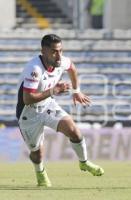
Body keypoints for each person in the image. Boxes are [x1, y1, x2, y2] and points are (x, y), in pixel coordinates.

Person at [16, 34, 104, 187]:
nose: (59, 55)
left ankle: (84, 162)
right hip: (28, 113)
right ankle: (40, 172)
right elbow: (27, 99)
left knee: (74, 131)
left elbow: (72, 68)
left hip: (47, 105)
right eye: (54, 51)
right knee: (37, 154)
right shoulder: (34, 69)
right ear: (43, 50)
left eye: (61, 51)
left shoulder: (61, 61)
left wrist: (76, 90)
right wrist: (53, 90)